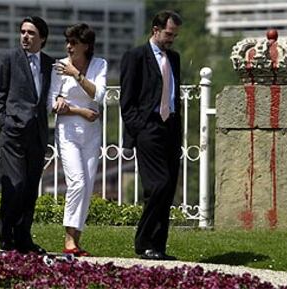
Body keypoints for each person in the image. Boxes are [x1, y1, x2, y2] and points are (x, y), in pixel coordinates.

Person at [120, 10, 182, 260]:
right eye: (169, 34)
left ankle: (157, 246)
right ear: (155, 30)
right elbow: (127, 100)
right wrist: (139, 128)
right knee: (158, 184)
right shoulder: (135, 56)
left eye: (175, 35)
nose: (171, 39)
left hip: (171, 129)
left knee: (166, 191)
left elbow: (172, 94)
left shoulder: (174, 58)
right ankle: (143, 241)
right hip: (149, 127)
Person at [0, 16, 54, 254]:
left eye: (31, 33)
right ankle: (6, 237)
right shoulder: (8, 58)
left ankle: (23, 238)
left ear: (42, 38)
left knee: (29, 189)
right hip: (13, 134)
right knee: (14, 187)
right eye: (23, 32)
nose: (25, 36)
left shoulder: (49, 63)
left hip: (37, 136)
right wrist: (4, 124)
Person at [48, 23, 107, 256]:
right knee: (77, 182)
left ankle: (75, 241)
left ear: (86, 45)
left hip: (92, 134)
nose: (69, 46)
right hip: (68, 132)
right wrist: (77, 110)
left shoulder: (99, 64)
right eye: (67, 42)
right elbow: (52, 103)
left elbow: (99, 94)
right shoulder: (59, 67)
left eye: (74, 42)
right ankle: (68, 240)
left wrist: (76, 75)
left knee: (88, 185)